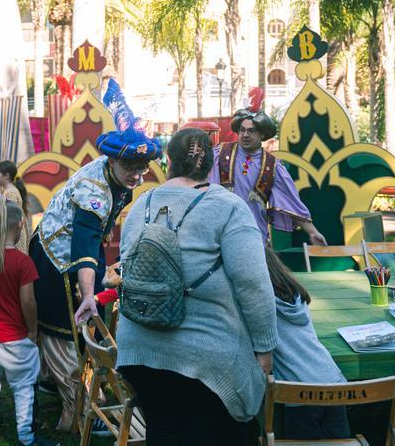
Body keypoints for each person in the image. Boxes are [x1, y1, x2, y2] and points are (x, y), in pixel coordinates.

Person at [116, 128, 278, 444]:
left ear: (168, 159)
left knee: (162, 428)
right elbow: (252, 283)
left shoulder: (141, 205)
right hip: (203, 356)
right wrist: (264, 347)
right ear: (212, 163)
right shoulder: (228, 206)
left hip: (138, 349)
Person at [30, 122, 161, 431]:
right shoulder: (95, 194)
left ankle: (86, 390)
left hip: (80, 255)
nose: (136, 175)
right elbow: (83, 249)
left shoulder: (115, 176)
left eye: (141, 168)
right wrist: (88, 294)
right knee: (68, 330)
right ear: (112, 161)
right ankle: (75, 411)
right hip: (57, 262)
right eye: (130, 167)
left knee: (91, 324)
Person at [0, 196, 52, 446]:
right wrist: (32, 330)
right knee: (24, 387)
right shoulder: (22, 262)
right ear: (18, 227)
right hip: (15, 337)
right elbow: (28, 302)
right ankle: (26, 437)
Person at [209, 88, 326, 246]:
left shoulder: (273, 165)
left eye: (251, 131)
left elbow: (290, 200)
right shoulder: (220, 154)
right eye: (242, 130)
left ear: (262, 134)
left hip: (255, 236)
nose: (245, 135)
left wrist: (312, 231)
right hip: (220, 233)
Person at [265, 246, 349, 440]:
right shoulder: (296, 296)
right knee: (338, 442)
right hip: (332, 380)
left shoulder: (264, 305)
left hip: (300, 392)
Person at [0, 160, 31, 253]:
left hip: (13, 236)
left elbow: (11, 219)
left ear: (6, 176)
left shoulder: (11, 193)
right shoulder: (8, 191)